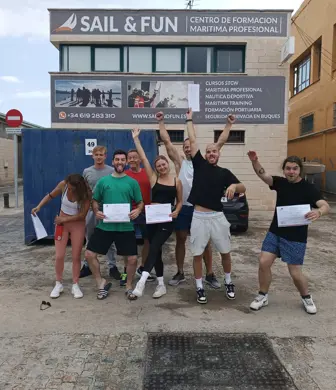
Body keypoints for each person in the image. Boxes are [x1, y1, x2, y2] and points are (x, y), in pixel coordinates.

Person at [157, 111, 236, 289]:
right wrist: (161, 122)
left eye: (189, 145)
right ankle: (180, 272)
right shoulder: (179, 162)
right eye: (184, 146)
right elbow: (167, 142)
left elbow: (220, 142)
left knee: (206, 243)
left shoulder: (205, 162)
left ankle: (209, 274)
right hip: (184, 207)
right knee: (181, 239)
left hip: (202, 209)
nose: (187, 148)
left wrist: (229, 125)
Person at [247, 151, 330, 314]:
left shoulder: (309, 188)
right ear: (284, 170)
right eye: (288, 168)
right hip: (275, 232)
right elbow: (263, 175)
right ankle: (262, 296)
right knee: (264, 262)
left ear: (300, 170)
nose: (291, 172)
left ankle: (306, 297)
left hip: (296, 237)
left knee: (295, 272)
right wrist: (255, 161)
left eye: (294, 169)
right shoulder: (280, 183)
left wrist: (319, 212)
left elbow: (325, 205)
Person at [186, 109, 246, 304]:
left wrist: (233, 185)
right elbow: (193, 140)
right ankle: (199, 286)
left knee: (225, 252)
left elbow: (243, 187)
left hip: (218, 218)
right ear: (205, 154)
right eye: (209, 151)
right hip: (199, 217)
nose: (212, 153)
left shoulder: (225, 172)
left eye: (215, 151)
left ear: (219, 154)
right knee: (197, 254)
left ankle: (228, 282)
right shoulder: (200, 164)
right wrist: (189, 119)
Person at [85, 149, 143, 300]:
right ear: (112, 162)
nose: (120, 162)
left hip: (125, 227)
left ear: (126, 162)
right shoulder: (104, 182)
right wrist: (96, 210)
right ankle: (101, 283)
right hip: (105, 226)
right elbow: (95, 200)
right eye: (117, 159)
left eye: (122, 160)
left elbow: (140, 202)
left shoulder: (132, 182)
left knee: (132, 259)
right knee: (89, 254)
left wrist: (137, 210)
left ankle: (129, 286)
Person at [131, 128, 183, 299]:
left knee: (153, 247)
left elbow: (180, 201)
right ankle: (161, 285)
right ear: (156, 168)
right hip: (151, 219)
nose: (161, 167)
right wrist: (136, 139)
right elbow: (144, 157)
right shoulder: (154, 179)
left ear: (168, 164)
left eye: (163, 164)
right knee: (157, 251)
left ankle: (142, 282)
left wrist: (176, 211)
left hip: (167, 220)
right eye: (158, 165)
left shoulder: (177, 181)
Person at [31, 174, 91, 299]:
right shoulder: (63, 185)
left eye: (72, 189)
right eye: (68, 187)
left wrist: (64, 219)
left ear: (78, 188)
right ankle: (58, 283)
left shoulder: (85, 193)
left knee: (76, 256)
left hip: (76, 225)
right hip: (61, 224)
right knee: (59, 255)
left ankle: (75, 284)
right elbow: (50, 196)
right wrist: (39, 206)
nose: (69, 190)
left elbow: (82, 215)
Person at [80, 145, 121, 281]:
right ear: (92, 156)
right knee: (89, 237)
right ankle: (87, 266)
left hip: (107, 210)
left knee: (110, 239)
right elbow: (85, 190)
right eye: (96, 154)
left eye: (101, 155)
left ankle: (112, 266)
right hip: (92, 210)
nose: (98, 157)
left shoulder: (111, 171)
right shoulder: (87, 171)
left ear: (105, 156)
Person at [120, 149, 155, 286]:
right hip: (128, 212)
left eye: (135, 157)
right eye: (130, 158)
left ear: (140, 159)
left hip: (146, 212)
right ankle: (125, 270)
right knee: (127, 241)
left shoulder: (148, 173)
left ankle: (142, 268)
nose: (133, 160)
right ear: (127, 160)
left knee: (148, 240)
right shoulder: (124, 175)